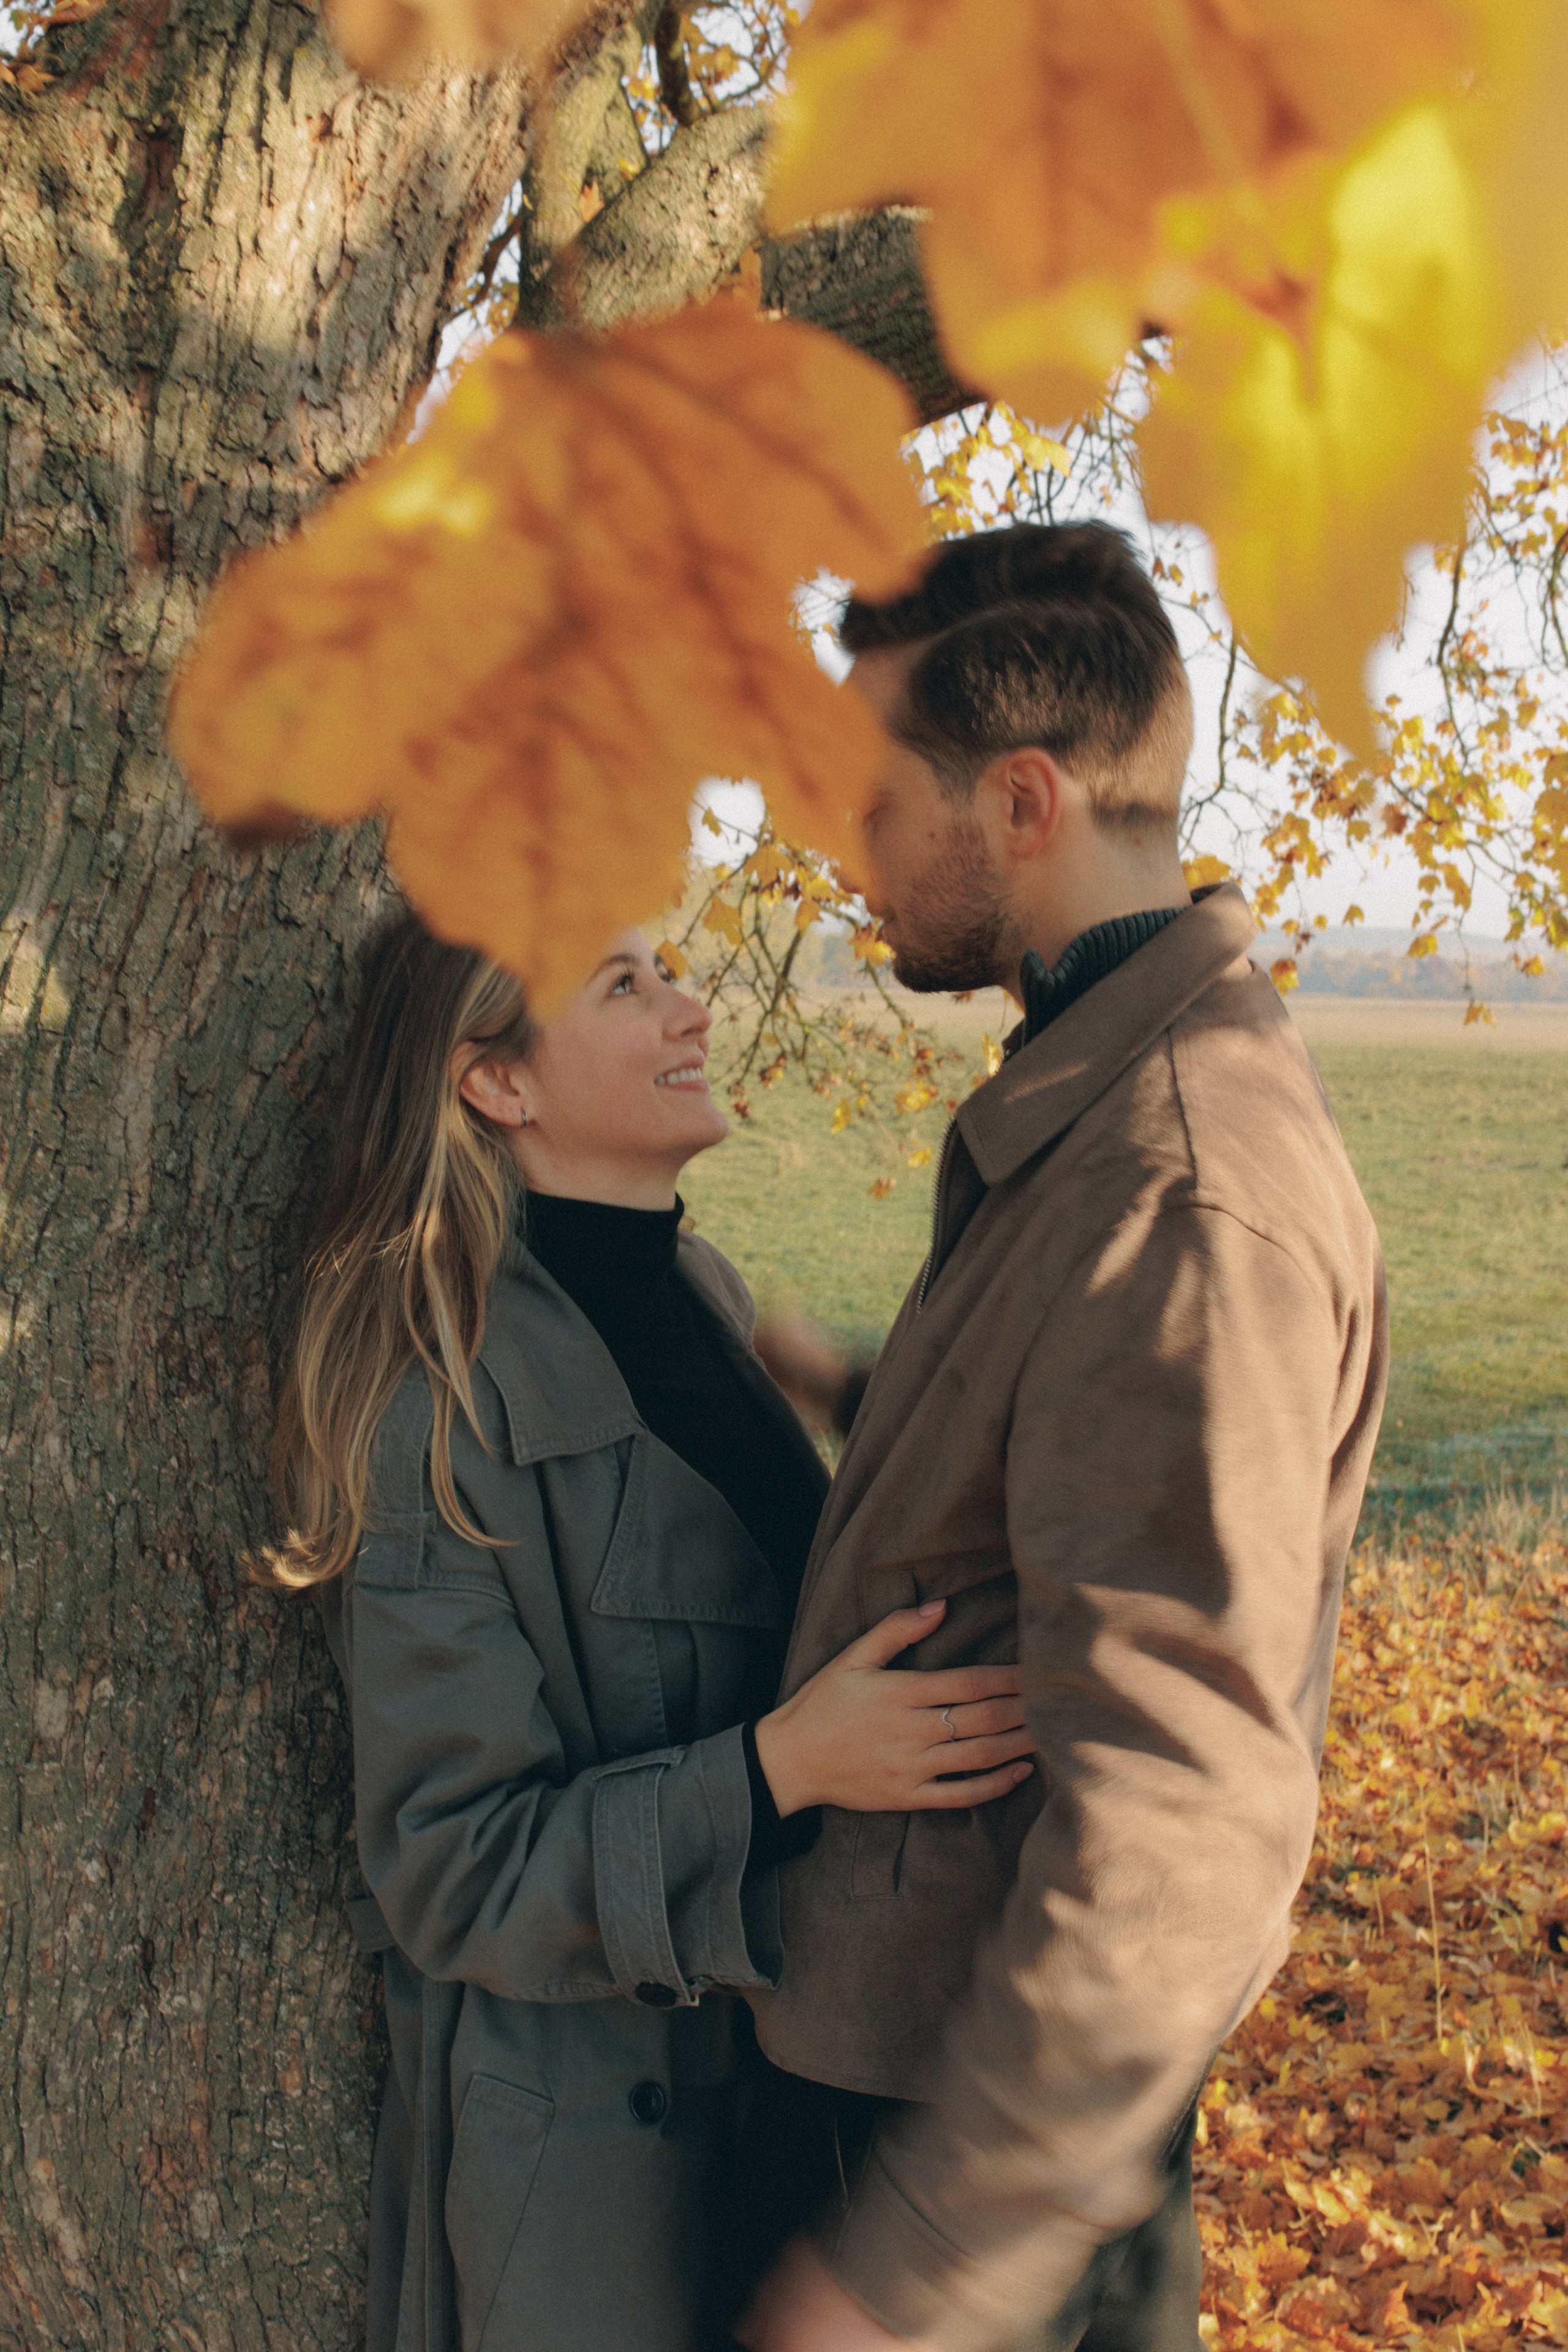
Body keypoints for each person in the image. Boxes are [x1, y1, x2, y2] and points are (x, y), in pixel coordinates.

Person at [737, 521, 1389, 2352]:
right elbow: (1084, 1474)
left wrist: (921, 2270)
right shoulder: (1100, 1104)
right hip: (916, 2103)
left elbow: (1186, 1812)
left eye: (872, 803)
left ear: (1021, 801)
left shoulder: (1178, 1185)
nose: (832, 852)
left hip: (974, 2194)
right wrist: (870, 1400)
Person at [256, 912, 1038, 2352]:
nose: (690, 1011)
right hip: (596, 2189)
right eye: (624, 983)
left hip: (799, 2110)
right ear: (499, 1084)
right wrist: (775, 1773)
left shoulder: (702, 1300)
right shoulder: (439, 1412)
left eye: (671, 971)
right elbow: (450, 1868)